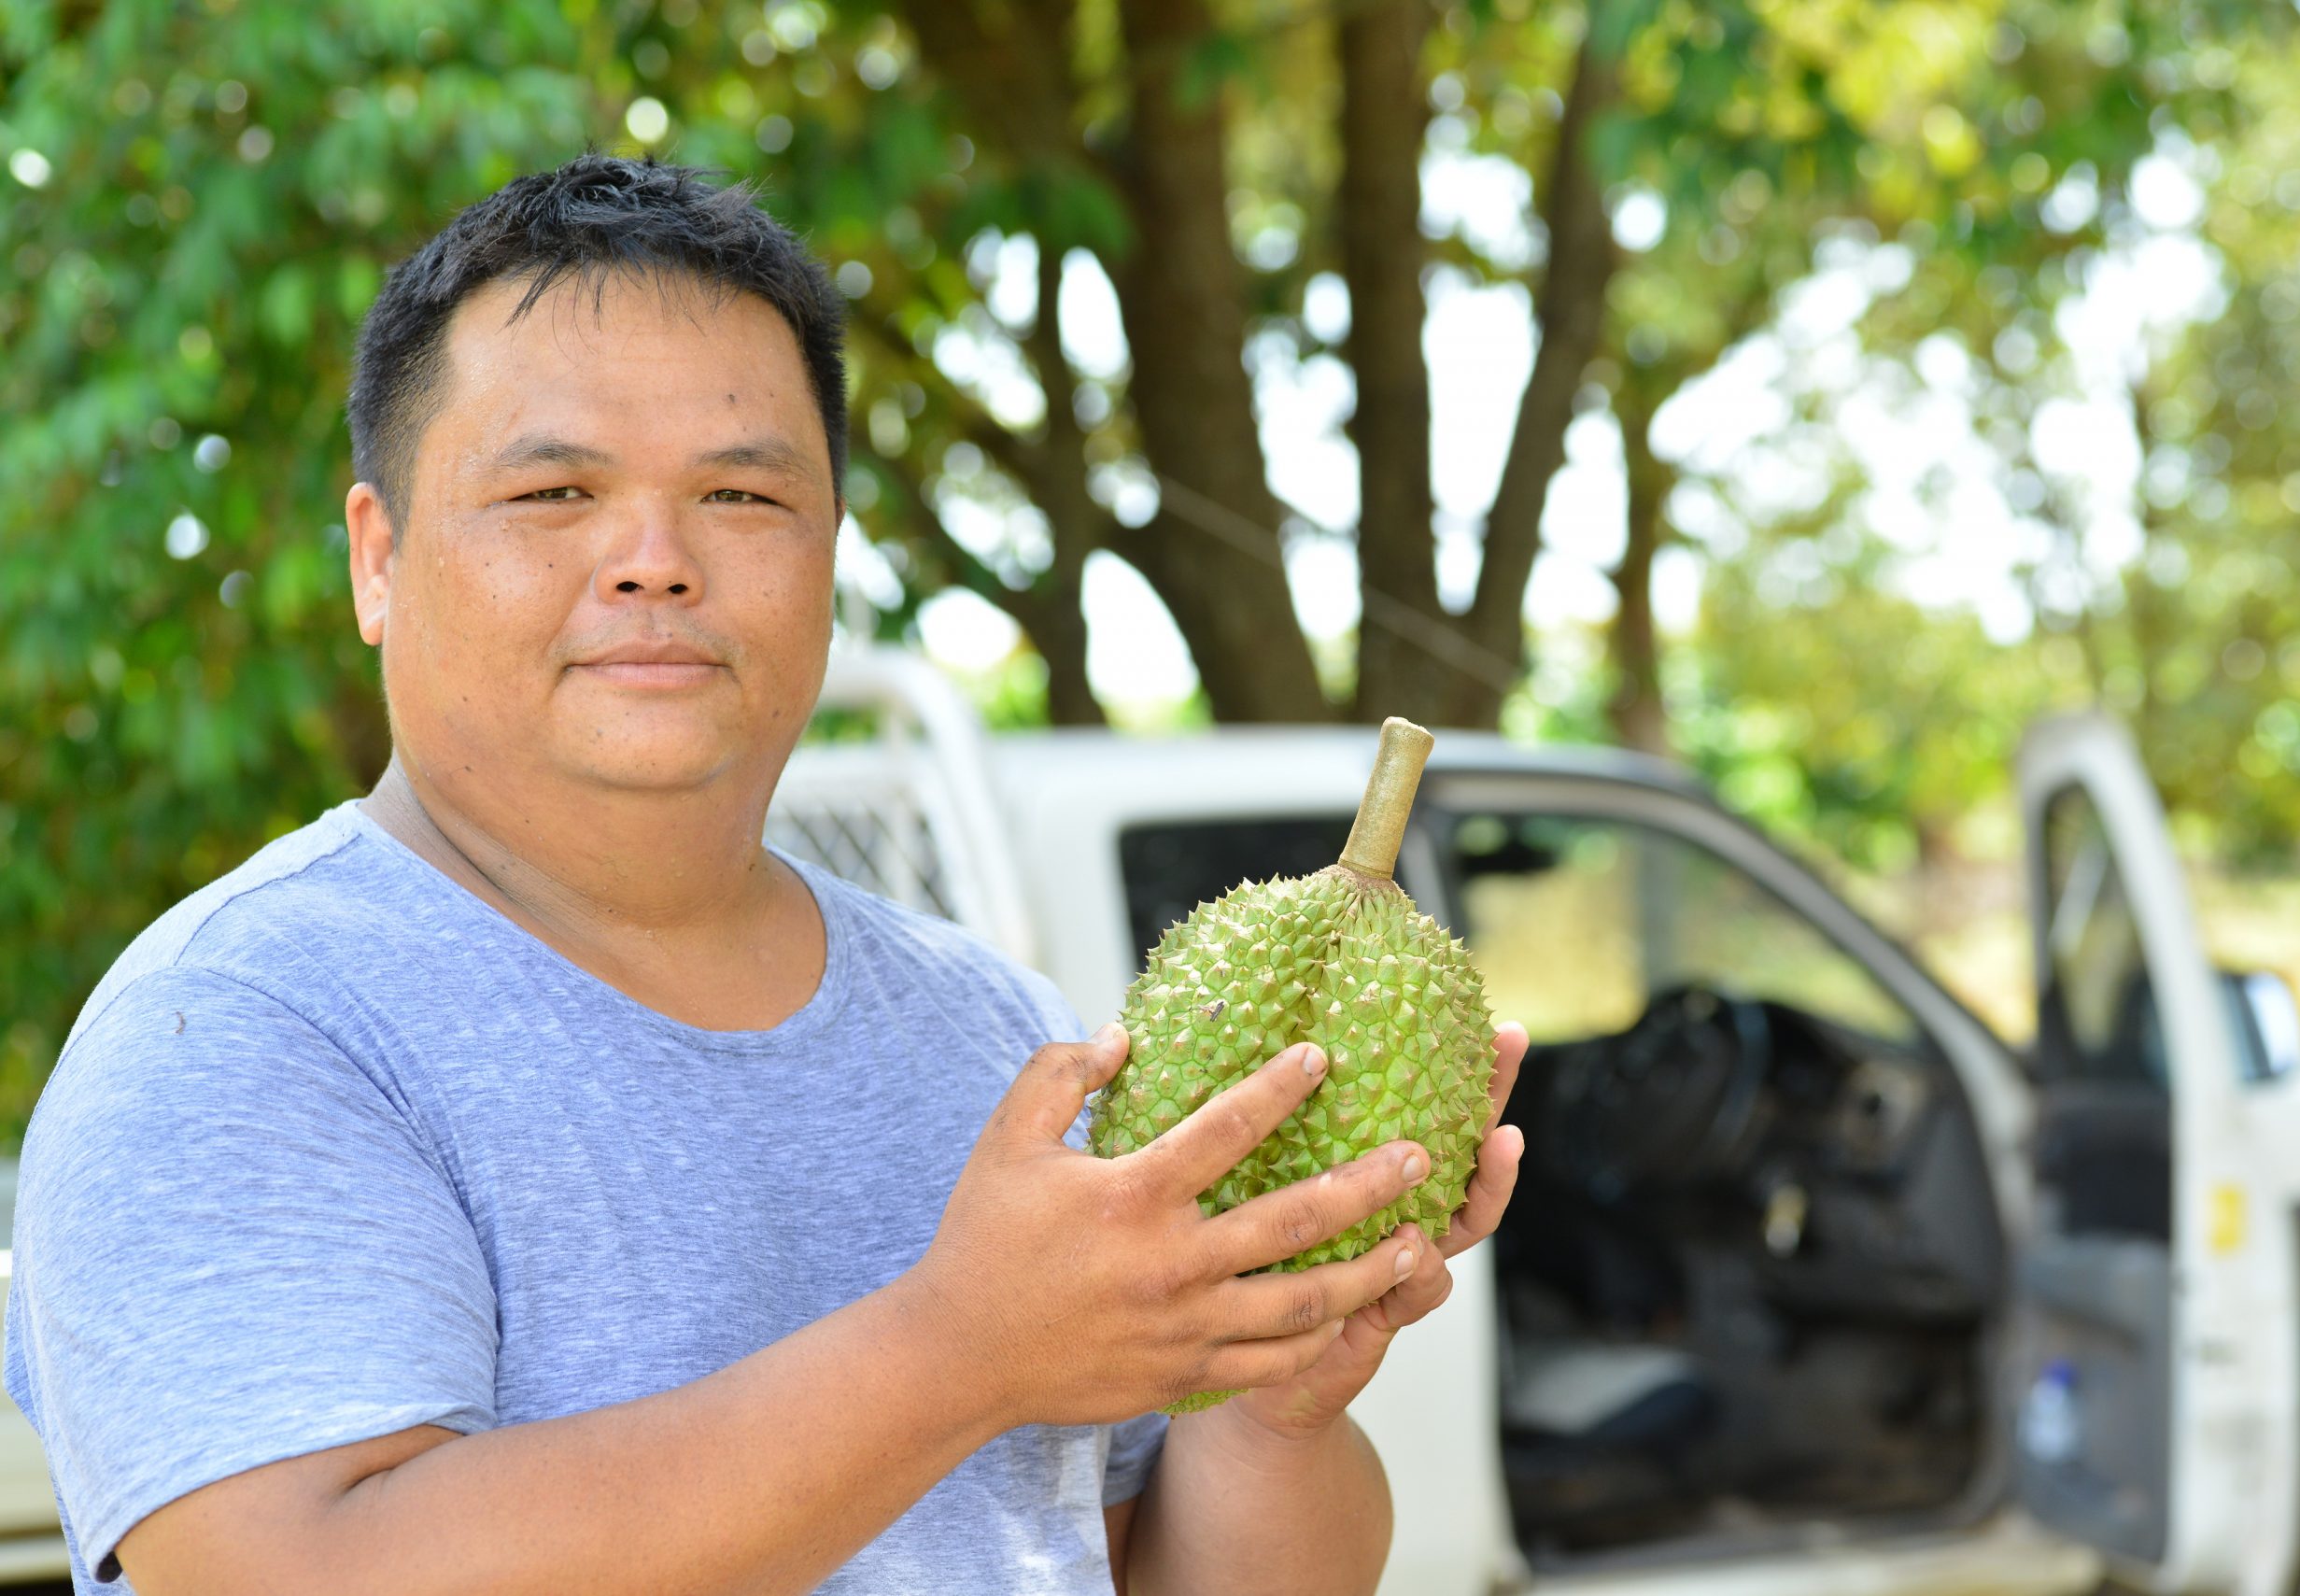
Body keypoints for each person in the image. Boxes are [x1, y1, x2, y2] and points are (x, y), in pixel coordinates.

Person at [2, 154, 1529, 1595]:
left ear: (830, 552)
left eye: (743, 495)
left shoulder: (990, 1027)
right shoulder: (237, 1031)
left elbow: (1146, 1565)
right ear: (376, 558)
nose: (656, 557)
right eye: (554, 495)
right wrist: (959, 1349)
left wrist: (1269, 1403)